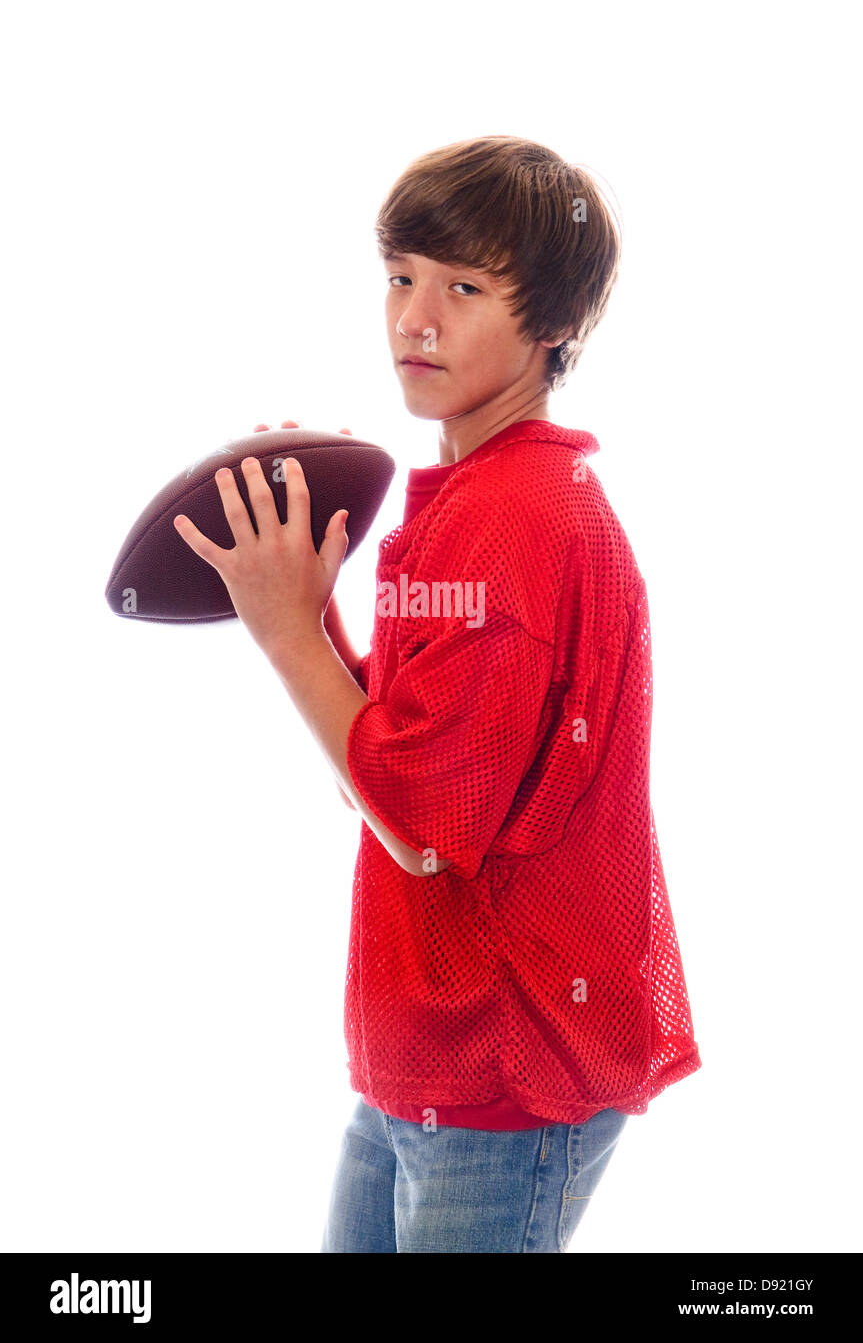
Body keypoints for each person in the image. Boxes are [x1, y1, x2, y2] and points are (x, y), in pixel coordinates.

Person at [174, 135, 701, 1253]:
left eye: (463, 288)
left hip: (499, 1076)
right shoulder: (475, 496)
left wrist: (282, 637)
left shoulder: (512, 522)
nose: (414, 317)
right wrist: (310, 612)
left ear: (551, 326)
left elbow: (423, 824)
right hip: (425, 1055)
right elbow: (401, 765)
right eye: (401, 274)